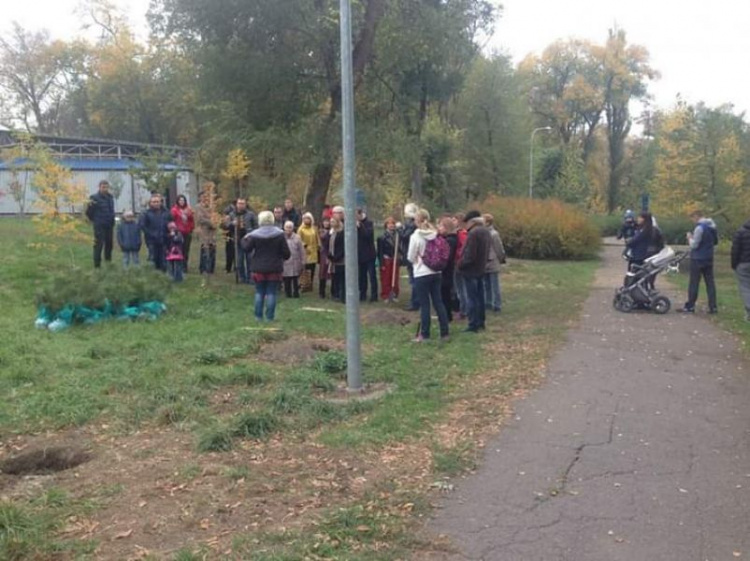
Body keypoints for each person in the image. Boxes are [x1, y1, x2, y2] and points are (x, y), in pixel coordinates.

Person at [408, 209, 450, 342]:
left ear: (417, 220)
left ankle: (425, 334)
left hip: (421, 272)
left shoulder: (416, 236)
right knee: (438, 302)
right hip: (436, 272)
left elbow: (410, 256)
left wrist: (416, 261)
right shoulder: (436, 234)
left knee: (425, 304)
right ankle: (445, 333)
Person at [242, 211, 290, 321]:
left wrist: (243, 239)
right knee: (271, 292)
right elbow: (286, 254)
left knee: (259, 292)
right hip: (274, 268)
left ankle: (258, 317)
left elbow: (246, 248)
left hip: (258, 267)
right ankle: (269, 317)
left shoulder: (254, 235)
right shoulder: (279, 234)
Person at [680, 210, 718, 314]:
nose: (692, 221)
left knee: (694, 282)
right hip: (709, 257)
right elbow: (715, 242)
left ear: (696, 216)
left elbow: (694, 245)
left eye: (692, 218)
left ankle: (690, 306)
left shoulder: (699, 228)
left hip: (697, 258)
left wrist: (689, 238)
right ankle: (713, 306)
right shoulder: (712, 227)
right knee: (710, 282)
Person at [458, 210, 491, 333]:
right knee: (480, 297)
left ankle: (473, 324)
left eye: (467, 222)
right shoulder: (485, 231)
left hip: (471, 270)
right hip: (481, 268)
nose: (466, 225)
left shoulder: (473, 233)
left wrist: (460, 264)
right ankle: (481, 322)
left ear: (472, 222)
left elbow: (470, 255)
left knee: (471, 298)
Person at [625, 212, 664, 291]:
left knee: (636, 275)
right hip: (637, 254)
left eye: (640, 218)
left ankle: (638, 291)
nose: (638, 219)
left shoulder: (645, 230)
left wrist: (629, 242)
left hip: (640, 255)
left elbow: (635, 240)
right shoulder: (641, 229)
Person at [224, 198, 258, 284]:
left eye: (243, 203)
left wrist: (251, 233)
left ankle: (250, 278)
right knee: (239, 260)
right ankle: (241, 277)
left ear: (246, 204)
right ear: (236, 204)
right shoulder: (232, 214)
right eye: (239, 203)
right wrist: (232, 224)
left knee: (250, 259)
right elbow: (226, 226)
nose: (241, 205)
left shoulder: (250, 214)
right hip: (237, 240)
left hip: (248, 240)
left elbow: (256, 226)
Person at [86, 179, 116, 268]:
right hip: (99, 225)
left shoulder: (110, 197)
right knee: (99, 245)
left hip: (109, 225)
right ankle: (97, 266)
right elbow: (89, 212)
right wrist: (96, 220)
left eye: (106, 187)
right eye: (103, 187)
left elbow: (112, 210)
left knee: (109, 245)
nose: (105, 189)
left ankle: (108, 263)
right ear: (99, 187)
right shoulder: (94, 197)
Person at [139, 194, 170, 272]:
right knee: (153, 258)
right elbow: (142, 226)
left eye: (157, 201)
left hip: (164, 239)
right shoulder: (146, 213)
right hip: (151, 240)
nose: (156, 203)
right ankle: (153, 276)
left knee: (163, 259)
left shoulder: (166, 212)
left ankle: (163, 276)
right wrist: (151, 234)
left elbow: (170, 223)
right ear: (150, 203)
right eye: (154, 202)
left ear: (160, 202)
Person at [483, 213, 506, 313]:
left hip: (493, 261)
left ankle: (497, 305)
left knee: (494, 285)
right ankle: (488, 303)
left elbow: (499, 247)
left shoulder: (494, 234)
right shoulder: (483, 233)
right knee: (486, 284)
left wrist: (501, 258)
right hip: (484, 261)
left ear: (488, 222)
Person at [195, 189, 218, 286]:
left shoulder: (211, 207)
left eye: (206, 196)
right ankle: (204, 269)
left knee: (213, 250)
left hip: (212, 232)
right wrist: (210, 222)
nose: (205, 198)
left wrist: (215, 222)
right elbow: (200, 219)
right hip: (204, 231)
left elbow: (216, 217)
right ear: (200, 197)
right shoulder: (198, 207)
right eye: (203, 196)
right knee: (205, 251)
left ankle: (211, 269)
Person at [438, 216, 459, 321]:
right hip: (446, 269)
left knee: (444, 293)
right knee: (444, 293)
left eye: (441, 226)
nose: (439, 228)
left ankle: (447, 315)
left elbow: (448, 256)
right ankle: (446, 314)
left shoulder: (450, 240)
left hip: (446, 270)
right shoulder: (448, 239)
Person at [399, 203, 420, 311]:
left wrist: (400, 229)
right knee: (413, 280)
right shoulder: (410, 224)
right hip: (409, 253)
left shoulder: (412, 225)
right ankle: (415, 301)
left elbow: (404, 236)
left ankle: (415, 302)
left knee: (414, 280)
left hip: (412, 255)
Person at [357, 208, 378, 302]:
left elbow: (367, 235)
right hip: (360, 255)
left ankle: (374, 295)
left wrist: (360, 226)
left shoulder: (368, 223)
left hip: (369, 254)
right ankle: (362, 294)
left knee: (372, 275)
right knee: (362, 276)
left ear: (360, 214)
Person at [731, 217, 750, 320]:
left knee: (745, 288)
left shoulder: (740, 232)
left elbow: (735, 250)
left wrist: (734, 264)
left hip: (743, 263)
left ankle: (749, 311)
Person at [377, 217, 400, 301]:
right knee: (386, 278)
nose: (391, 225)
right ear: (386, 225)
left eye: (393, 224)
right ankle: (385, 295)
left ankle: (394, 294)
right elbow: (380, 252)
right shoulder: (382, 237)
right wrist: (382, 263)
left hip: (394, 259)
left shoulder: (397, 236)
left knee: (395, 277)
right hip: (386, 259)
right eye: (389, 224)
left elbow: (399, 248)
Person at [170, 195, 194, 272]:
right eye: (180, 200)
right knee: (179, 249)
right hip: (178, 232)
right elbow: (171, 220)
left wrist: (191, 229)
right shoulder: (174, 210)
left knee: (186, 250)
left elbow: (191, 221)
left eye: (183, 200)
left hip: (187, 232)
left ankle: (185, 265)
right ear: (177, 201)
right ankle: (178, 266)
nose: (182, 202)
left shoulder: (188, 209)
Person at [297, 213, 319, 293]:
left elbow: (317, 238)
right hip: (306, 251)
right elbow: (298, 239)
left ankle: (310, 285)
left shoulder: (314, 228)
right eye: (305, 218)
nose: (307, 220)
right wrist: (305, 246)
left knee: (312, 268)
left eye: (308, 218)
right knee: (305, 269)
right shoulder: (301, 229)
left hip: (314, 251)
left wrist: (318, 246)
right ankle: (303, 284)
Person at [282, 221, 306, 298]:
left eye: (290, 227)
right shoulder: (281, 237)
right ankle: (287, 293)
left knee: (295, 279)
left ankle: (296, 293)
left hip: (295, 261)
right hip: (285, 261)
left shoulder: (297, 237)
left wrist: (303, 261)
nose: (288, 229)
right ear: (284, 228)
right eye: (287, 227)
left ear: (293, 228)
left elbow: (302, 250)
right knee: (287, 279)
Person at [453, 213, 469, 320]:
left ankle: (464, 310)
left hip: (459, 263)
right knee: (460, 287)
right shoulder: (462, 233)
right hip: (459, 262)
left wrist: (458, 258)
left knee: (461, 288)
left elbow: (463, 248)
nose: (452, 221)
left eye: (454, 219)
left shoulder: (461, 233)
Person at [329, 216, 346, 303]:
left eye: (333, 222)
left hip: (341, 260)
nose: (331, 223)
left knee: (342, 279)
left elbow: (342, 247)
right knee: (336, 278)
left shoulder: (341, 233)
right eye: (330, 222)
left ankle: (343, 297)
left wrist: (336, 257)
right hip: (333, 259)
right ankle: (337, 295)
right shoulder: (333, 232)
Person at [318, 216, 332, 299]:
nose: (326, 223)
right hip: (324, 253)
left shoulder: (332, 231)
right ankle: (321, 292)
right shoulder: (321, 231)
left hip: (331, 252)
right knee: (322, 272)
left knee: (331, 272)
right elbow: (322, 239)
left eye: (328, 221)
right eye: (325, 221)